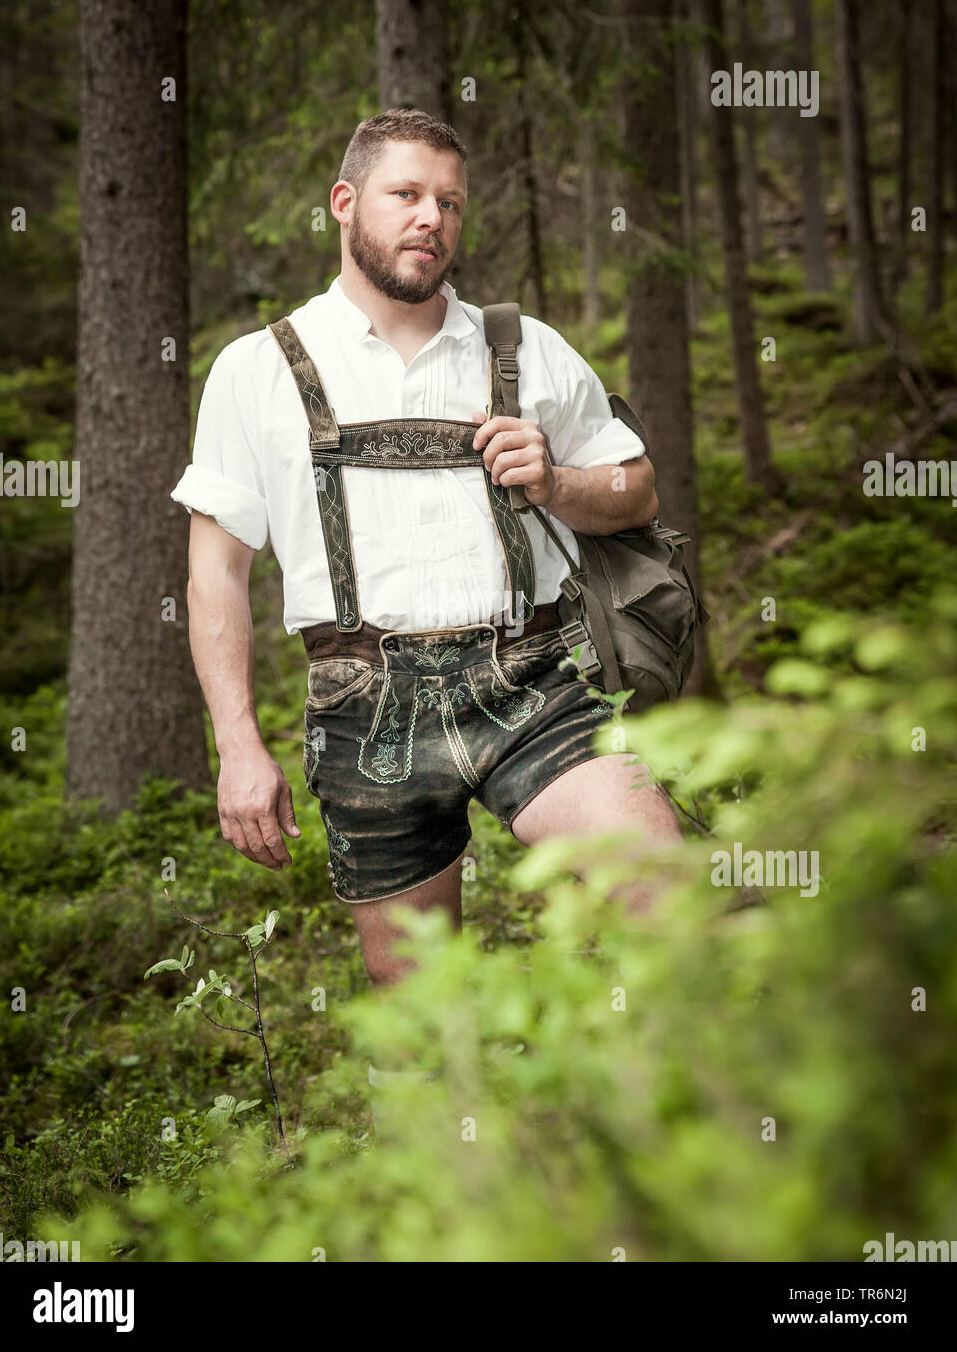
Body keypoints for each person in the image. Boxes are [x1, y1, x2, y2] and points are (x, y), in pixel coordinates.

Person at [171, 107, 682, 1016]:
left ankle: (663, 1133)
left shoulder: (520, 347)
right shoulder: (257, 370)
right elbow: (217, 572)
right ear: (344, 202)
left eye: (449, 201)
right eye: (405, 194)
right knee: (419, 1016)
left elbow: (637, 491)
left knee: (664, 896)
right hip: (366, 711)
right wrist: (236, 745)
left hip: (533, 681)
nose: (431, 219)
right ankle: (472, 1151)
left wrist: (558, 481)